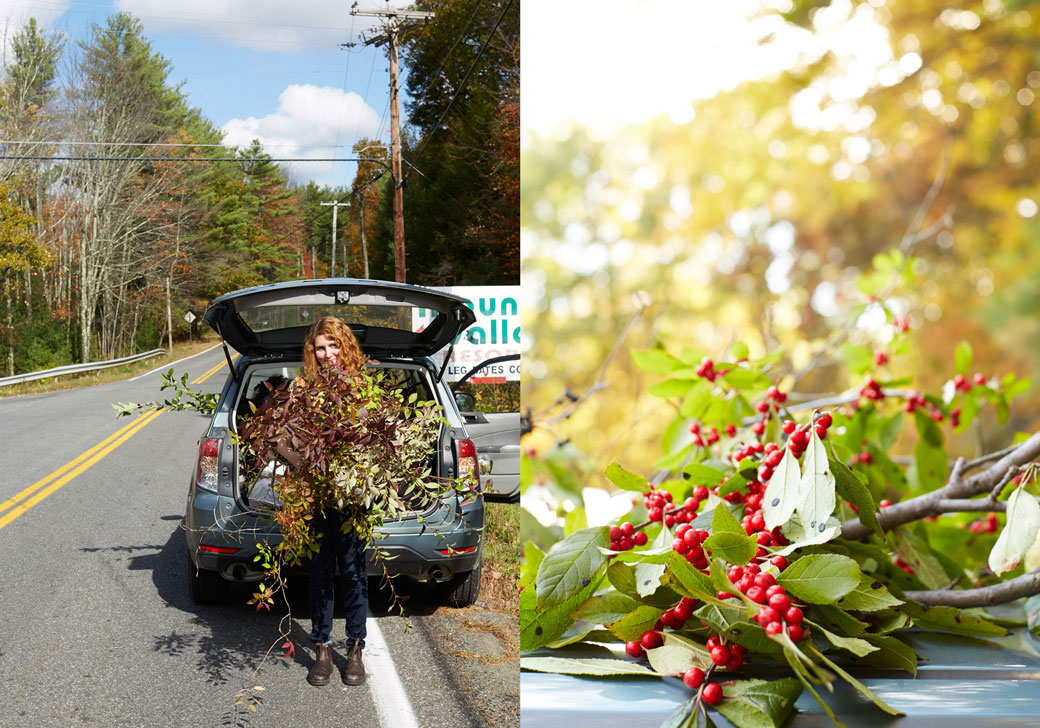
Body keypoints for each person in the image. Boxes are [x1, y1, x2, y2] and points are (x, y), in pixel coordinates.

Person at [282, 315, 370, 687]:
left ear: (345, 345)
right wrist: (305, 464)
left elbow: (371, 438)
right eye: (320, 347)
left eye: (334, 345)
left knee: (352, 573)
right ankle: (321, 650)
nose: (327, 353)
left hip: (350, 497)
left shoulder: (361, 386)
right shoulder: (302, 387)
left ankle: (354, 650)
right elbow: (282, 439)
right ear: (312, 352)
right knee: (319, 575)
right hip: (316, 497)